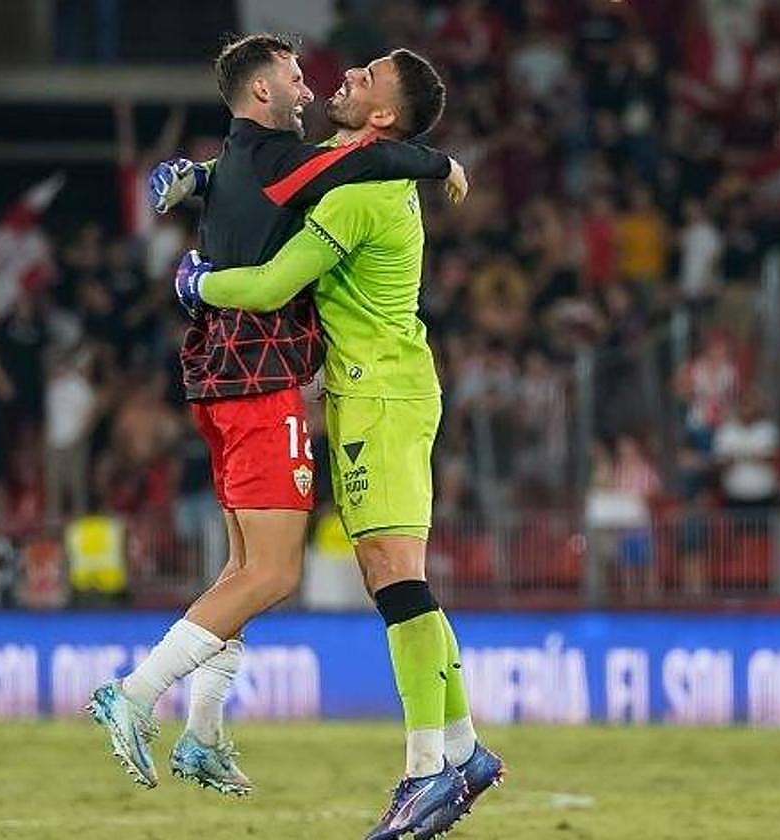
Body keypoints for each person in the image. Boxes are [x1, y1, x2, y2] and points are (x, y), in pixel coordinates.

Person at [86, 33, 467, 801]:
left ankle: (203, 732)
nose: (327, 79)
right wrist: (199, 279)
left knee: (259, 569)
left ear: (384, 111)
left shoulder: (303, 161)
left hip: (242, 376)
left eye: (361, 75)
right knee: (277, 572)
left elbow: (333, 163)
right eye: (297, 76)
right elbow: (264, 280)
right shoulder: (317, 163)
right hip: (269, 379)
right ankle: (133, 695)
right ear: (263, 94)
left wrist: (194, 184)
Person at [174, 48, 503, 840]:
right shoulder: (348, 169)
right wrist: (199, 173)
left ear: (382, 117)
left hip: (382, 396)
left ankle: (429, 770)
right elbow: (265, 169)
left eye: (366, 79)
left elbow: (268, 285)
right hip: (375, 392)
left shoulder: (362, 193)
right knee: (396, 579)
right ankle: (463, 751)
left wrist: (195, 283)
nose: (344, 78)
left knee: (396, 579)